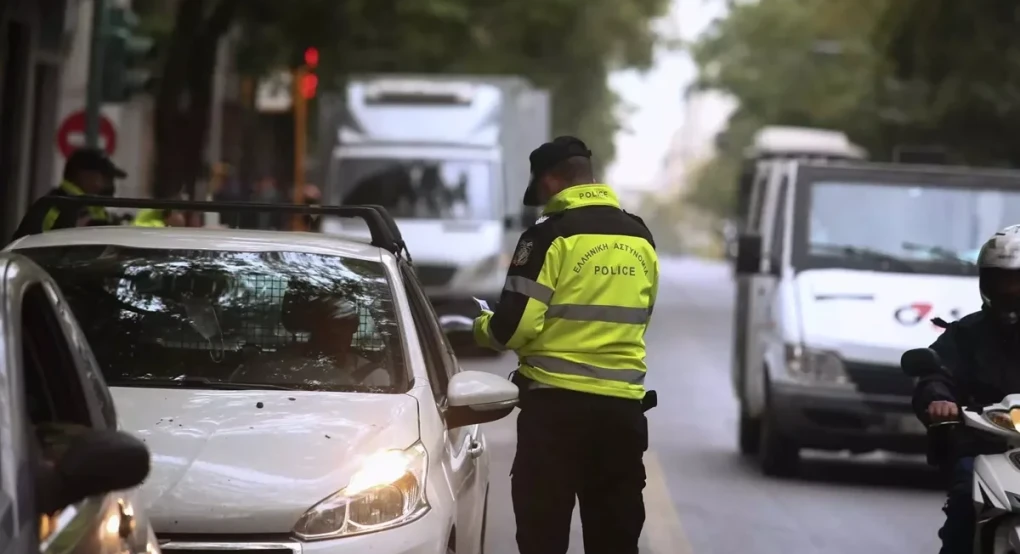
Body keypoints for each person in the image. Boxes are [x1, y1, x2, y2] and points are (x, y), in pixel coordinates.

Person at [472, 136, 659, 554]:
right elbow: (641, 315)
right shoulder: (640, 237)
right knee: (615, 539)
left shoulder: (548, 237)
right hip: (622, 415)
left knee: (543, 538)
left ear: (552, 180)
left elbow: (512, 328)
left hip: (555, 415)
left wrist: (481, 327)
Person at [912, 223, 1020, 554]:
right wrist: (939, 399)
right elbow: (936, 374)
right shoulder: (967, 334)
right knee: (964, 496)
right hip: (985, 447)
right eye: (1002, 280)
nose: (1011, 290)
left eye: (1018, 281)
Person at [11, 148, 126, 241]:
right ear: (85, 176)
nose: (109, 185)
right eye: (106, 178)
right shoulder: (57, 209)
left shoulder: (89, 208)